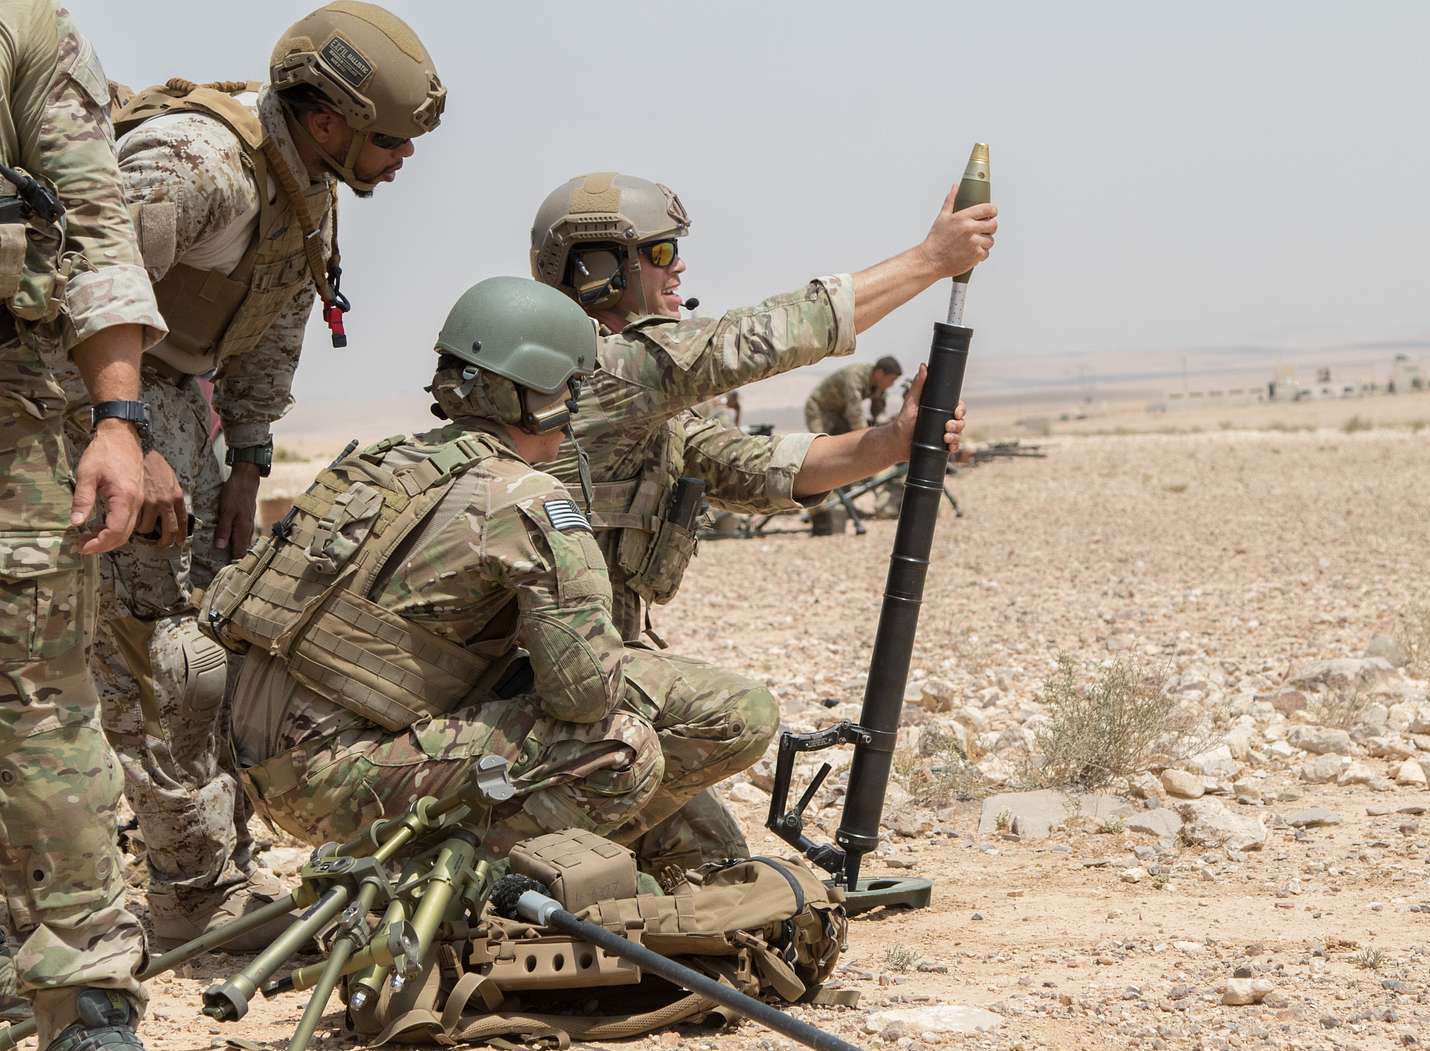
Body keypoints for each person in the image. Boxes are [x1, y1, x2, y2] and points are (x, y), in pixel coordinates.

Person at [52, 0, 446, 947]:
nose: (403, 159)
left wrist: (248, 461)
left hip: (174, 409)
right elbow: (79, 285)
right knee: (155, 658)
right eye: (390, 139)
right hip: (86, 402)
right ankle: (191, 893)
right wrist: (127, 433)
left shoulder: (301, 185)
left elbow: (272, 323)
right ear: (326, 121)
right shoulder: (200, 168)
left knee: (207, 641)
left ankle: (211, 862)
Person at [529, 173, 994, 878]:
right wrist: (931, 260)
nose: (678, 265)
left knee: (710, 864)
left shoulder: (638, 400)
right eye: (658, 251)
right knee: (734, 720)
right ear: (597, 270)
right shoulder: (596, 367)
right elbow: (755, 341)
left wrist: (889, 443)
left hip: (588, 688)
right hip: (539, 692)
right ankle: (502, 852)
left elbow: (752, 469)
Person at [199, 277, 662, 853]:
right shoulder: (522, 494)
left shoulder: (380, 461)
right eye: (570, 387)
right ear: (534, 392)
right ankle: (458, 892)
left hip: (251, 765)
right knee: (621, 746)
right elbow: (586, 696)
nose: (572, 408)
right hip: (337, 787)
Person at [0, 2, 171, 1051]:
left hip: (11, 425)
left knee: (42, 708)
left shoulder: (23, 27)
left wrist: (117, 414)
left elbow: (97, 222)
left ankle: (87, 1004)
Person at [803, 356, 901, 435]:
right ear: (880, 374)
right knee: (822, 447)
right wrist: (867, 436)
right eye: (892, 379)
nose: (892, 384)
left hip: (840, 414)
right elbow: (855, 412)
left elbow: (878, 414)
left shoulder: (879, 385)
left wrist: (885, 423)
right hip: (819, 409)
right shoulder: (855, 377)